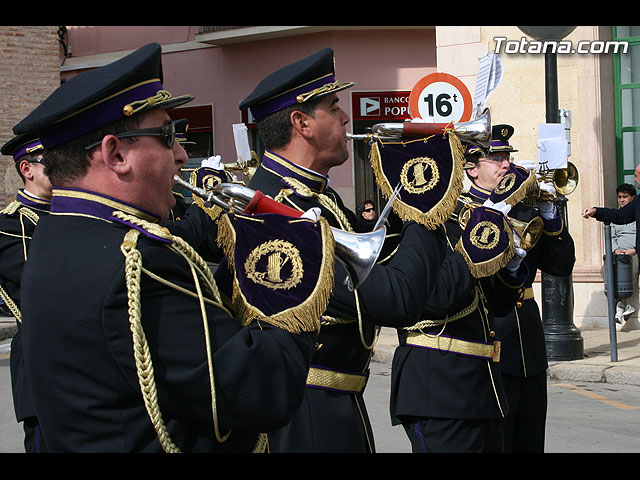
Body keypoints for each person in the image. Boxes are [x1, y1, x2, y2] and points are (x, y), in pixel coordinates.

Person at [13, 43, 333, 453]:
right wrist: (290, 271)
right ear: (115, 154)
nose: (182, 154)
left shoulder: (58, 230)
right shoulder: (139, 260)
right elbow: (262, 391)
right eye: (167, 137)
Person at [240, 47, 450, 452]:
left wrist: (408, 190)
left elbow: (387, 258)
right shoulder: (276, 210)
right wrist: (427, 204)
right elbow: (396, 299)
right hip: (305, 414)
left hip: (334, 403)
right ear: (301, 122)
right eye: (334, 107)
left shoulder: (319, 197)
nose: (345, 118)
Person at [463, 125, 575, 452]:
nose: (506, 165)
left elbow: (561, 266)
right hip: (491, 336)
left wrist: (552, 217)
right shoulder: (464, 213)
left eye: (507, 158)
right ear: (472, 168)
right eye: (496, 159)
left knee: (530, 437)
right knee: (499, 440)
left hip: (529, 341)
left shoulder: (525, 208)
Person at [0, 133, 52, 453]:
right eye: (51, 163)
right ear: (27, 169)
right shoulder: (8, 227)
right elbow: (42, 285)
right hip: (40, 360)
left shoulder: (68, 215)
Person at [599, 183, 638, 329]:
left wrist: (633, 251)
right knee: (605, 270)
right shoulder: (616, 215)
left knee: (632, 270)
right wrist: (616, 250)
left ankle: (627, 305)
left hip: (634, 252)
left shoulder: (636, 215)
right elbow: (612, 236)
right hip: (618, 252)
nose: (621, 200)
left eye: (625, 197)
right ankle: (619, 303)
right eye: (620, 197)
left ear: (632, 198)